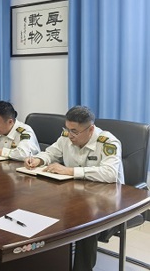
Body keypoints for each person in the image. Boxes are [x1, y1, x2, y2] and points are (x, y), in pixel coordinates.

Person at [25, 105, 124, 271]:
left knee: (85, 224)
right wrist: (38, 160)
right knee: (45, 210)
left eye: (74, 131)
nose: (69, 135)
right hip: (76, 197)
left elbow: (110, 174)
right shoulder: (67, 137)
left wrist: (70, 171)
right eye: (67, 129)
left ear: (90, 129)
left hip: (107, 204)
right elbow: (51, 153)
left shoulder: (107, 142)